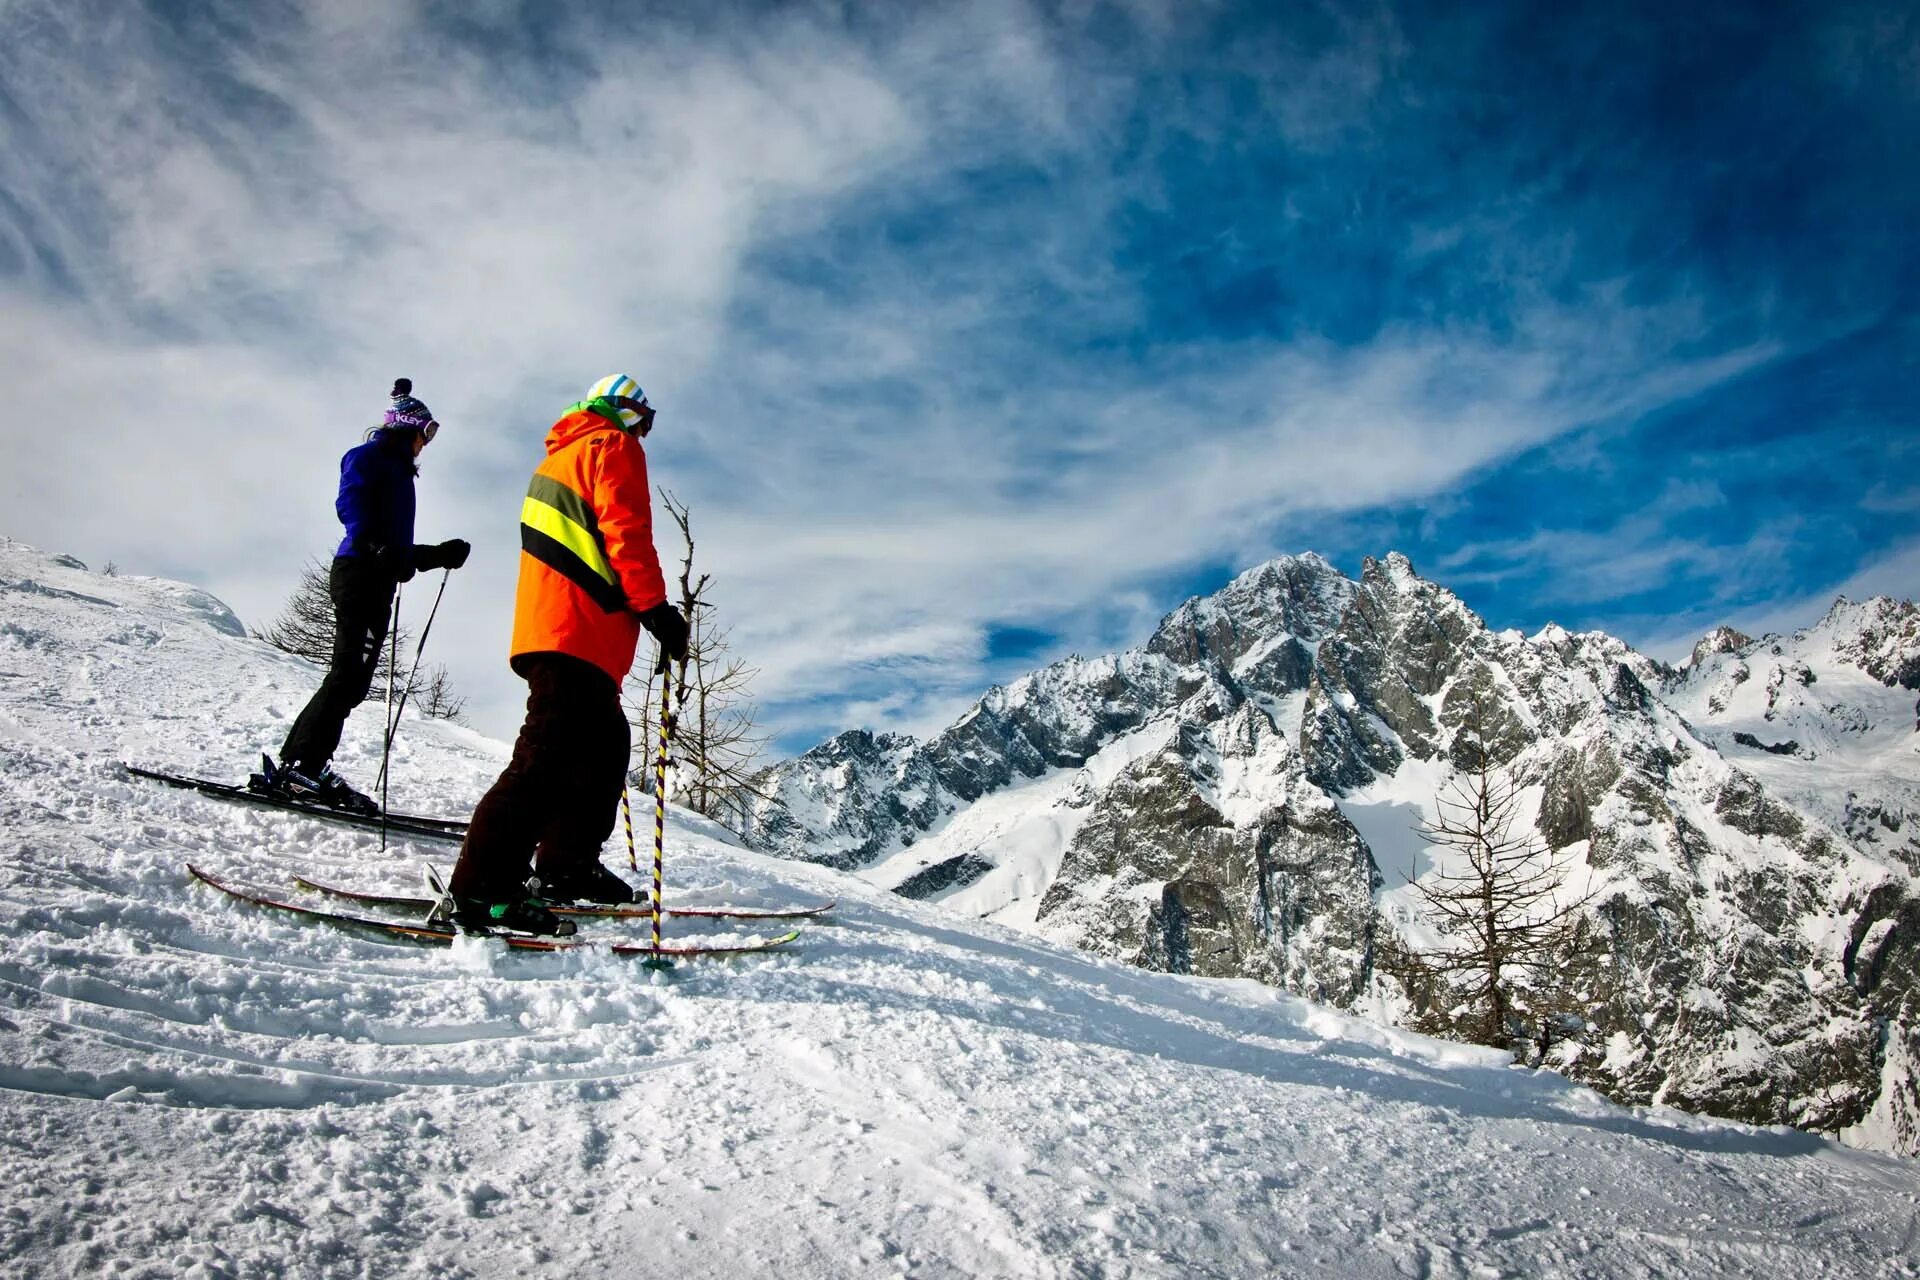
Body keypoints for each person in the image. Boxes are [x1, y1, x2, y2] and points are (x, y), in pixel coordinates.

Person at [444, 373, 689, 935]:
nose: (645, 435)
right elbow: (626, 531)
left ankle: (566, 868)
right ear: (625, 411)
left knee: (604, 747)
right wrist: (657, 611)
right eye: (645, 421)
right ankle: (480, 889)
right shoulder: (611, 445)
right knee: (546, 758)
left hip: (566, 629)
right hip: (578, 629)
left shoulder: (558, 460)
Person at [253, 378, 470, 813]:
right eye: (425, 433)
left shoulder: (399, 472)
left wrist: (436, 555)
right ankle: (301, 767)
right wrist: (375, 546)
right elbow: (351, 506)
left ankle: (302, 765)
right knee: (348, 676)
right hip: (359, 573)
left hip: (375, 577)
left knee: (352, 678)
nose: (426, 444)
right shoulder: (370, 457)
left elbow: (396, 553)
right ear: (408, 428)